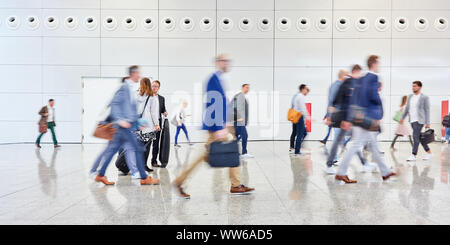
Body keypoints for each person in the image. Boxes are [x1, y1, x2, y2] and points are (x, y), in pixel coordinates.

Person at [172, 54, 255, 199]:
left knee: (230, 151)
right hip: (216, 125)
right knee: (206, 155)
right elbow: (213, 103)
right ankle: (179, 181)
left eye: (228, 61)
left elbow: (223, 103)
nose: (226, 63)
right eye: (223, 61)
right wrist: (219, 127)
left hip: (222, 124)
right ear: (217, 63)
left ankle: (236, 185)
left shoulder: (221, 79)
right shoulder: (213, 79)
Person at [89, 66, 159, 186]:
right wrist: (119, 120)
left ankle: (100, 175)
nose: (139, 75)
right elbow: (115, 104)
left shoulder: (131, 89)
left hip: (126, 128)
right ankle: (144, 177)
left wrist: (137, 123)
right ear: (133, 74)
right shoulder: (124, 88)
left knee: (111, 151)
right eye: (138, 73)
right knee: (137, 149)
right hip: (123, 127)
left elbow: (131, 110)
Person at [336, 55, 396, 183]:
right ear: (373, 64)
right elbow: (373, 96)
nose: (379, 66)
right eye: (378, 63)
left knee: (368, 144)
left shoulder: (361, 78)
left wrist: (350, 117)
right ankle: (341, 172)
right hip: (369, 118)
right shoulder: (373, 77)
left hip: (358, 116)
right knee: (364, 144)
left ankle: (385, 172)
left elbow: (354, 97)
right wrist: (379, 109)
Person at [324, 65, 375, 174]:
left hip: (347, 117)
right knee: (339, 141)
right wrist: (329, 116)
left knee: (351, 141)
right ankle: (329, 164)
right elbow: (334, 102)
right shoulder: (341, 85)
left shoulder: (347, 84)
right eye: (347, 75)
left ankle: (364, 163)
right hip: (341, 118)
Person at [400, 81, 432, 162]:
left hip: (419, 120)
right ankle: (429, 152)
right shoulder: (410, 96)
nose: (413, 87)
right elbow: (407, 108)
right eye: (412, 86)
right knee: (419, 137)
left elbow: (427, 110)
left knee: (415, 136)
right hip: (412, 120)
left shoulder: (424, 97)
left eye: (415, 86)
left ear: (420, 87)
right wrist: (402, 117)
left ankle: (414, 155)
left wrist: (427, 122)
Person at [137, 77, 160, 172]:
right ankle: (144, 165)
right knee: (147, 146)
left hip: (138, 125)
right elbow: (153, 113)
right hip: (148, 125)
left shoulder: (137, 95)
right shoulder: (152, 96)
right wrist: (157, 124)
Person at [320, 70, 347, 146]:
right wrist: (328, 116)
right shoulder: (336, 86)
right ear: (342, 76)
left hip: (340, 114)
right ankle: (334, 157)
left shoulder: (341, 85)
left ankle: (341, 148)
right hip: (337, 114)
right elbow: (331, 101)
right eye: (346, 76)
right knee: (337, 136)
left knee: (340, 135)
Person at [149, 80, 168, 167]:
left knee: (156, 144)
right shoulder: (147, 97)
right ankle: (143, 162)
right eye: (153, 86)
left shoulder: (161, 98)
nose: (154, 88)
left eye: (156, 86)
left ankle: (154, 161)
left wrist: (165, 112)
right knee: (147, 143)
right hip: (149, 123)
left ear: (159, 88)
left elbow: (163, 109)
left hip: (158, 124)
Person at [233, 83, 253, 158]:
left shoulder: (241, 96)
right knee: (244, 135)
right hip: (239, 121)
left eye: (249, 88)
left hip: (240, 121)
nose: (248, 89)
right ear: (243, 88)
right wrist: (237, 118)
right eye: (247, 87)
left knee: (236, 137)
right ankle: (244, 153)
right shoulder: (240, 96)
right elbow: (234, 107)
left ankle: (232, 151)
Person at [291, 84, 310, 156]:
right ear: (302, 89)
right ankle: (297, 151)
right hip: (299, 117)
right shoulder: (300, 97)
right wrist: (309, 118)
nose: (307, 91)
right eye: (306, 89)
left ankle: (297, 148)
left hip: (296, 116)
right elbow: (303, 109)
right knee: (300, 134)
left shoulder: (297, 96)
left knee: (303, 133)